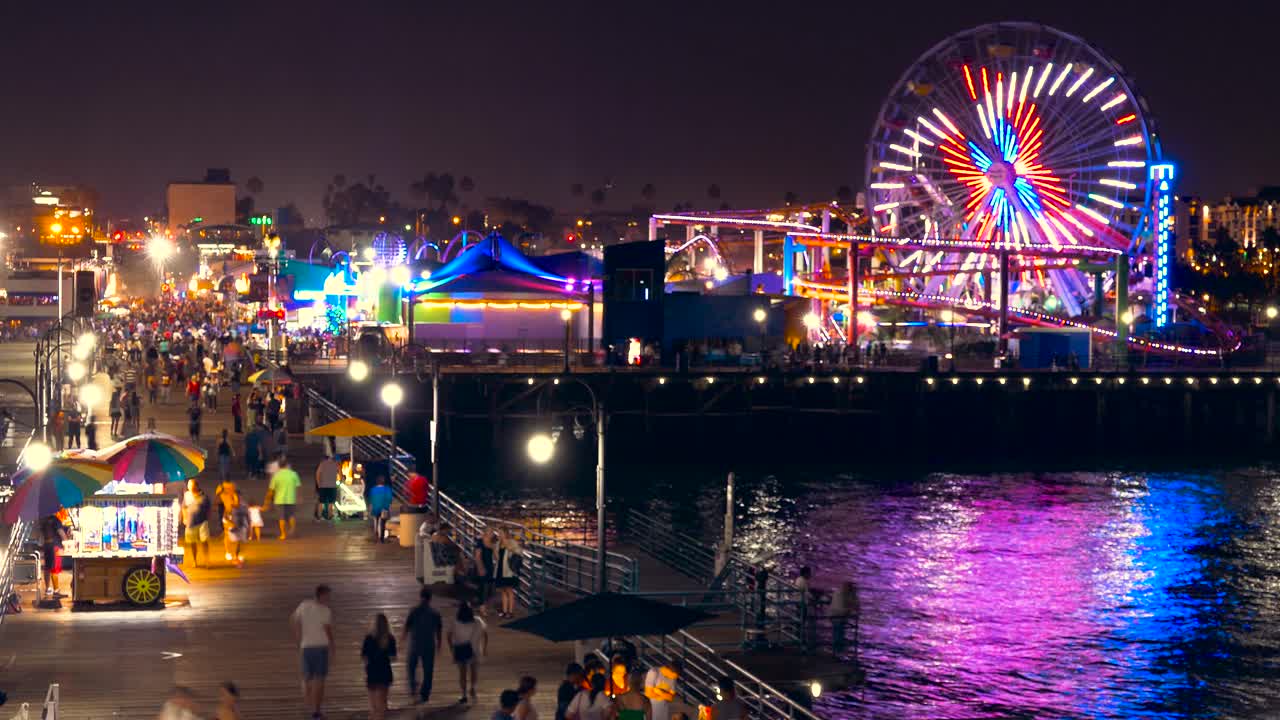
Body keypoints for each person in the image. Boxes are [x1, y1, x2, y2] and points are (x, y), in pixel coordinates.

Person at [291, 585, 334, 720]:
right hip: (321, 647)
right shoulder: (325, 611)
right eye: (327, 596)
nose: (329, 598)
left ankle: (309, 704)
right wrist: (333, 646)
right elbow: (328, 631)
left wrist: (299, 639)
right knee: (319, 680)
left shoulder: (304, 605)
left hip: (306, 647)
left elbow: (293, 619)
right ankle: (316, 711)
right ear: (320, 595)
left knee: (306, 678)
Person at [403, 586, 443, 705]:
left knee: (411, 667)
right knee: (428, 671)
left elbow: (407, 627)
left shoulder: (414, 611)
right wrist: (439, 644)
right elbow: (439, 630)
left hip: (415, 644)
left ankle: (413, 688)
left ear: (420, 597)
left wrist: (402, 640)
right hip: (429, 645)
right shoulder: (435, 613)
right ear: (430, 599)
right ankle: (425, 694)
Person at [447, 601, 486, 705]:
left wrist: (452, 649)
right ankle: (472, 688)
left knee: (462, 673)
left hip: (460, 650)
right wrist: (485, 648)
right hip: (475, 649)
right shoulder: (477, 621)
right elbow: (485, 634)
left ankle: (464, 694)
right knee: (473, 671)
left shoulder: (455, 621)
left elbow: (448, 636)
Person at [361, 613, 397, 720]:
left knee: (373, 706)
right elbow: (393, 657)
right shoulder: (390, 638)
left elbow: (364, 656)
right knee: (383, 703)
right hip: (385, 672)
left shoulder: (368, 638)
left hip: (372, 672)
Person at [267, 457, 301, 540]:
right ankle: (292, 530)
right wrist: (299, 497)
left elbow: (271, 490)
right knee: (291, 516)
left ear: (279, 466)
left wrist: (268, 501)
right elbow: (298, 487)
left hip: (279, 499)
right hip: (291, 498)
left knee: (281, 518)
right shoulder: (293, 474)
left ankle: (283, 534)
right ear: (287, 465)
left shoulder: (276, 475)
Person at [494, 528, 523, 618]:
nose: (499, 535)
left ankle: (510, 612)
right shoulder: (498, 543)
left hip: (509, 569)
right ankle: (504, 610)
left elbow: (519, 552)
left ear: (505, 533)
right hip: (500, 568)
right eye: (498, 533)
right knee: (503, 590)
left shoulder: (511, 542)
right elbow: (496, 558)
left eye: (501, 533)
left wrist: (508, 547)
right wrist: (495, 553)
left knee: (509, 590)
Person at [182, 480, 211, 568]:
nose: (190, 487)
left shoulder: (204, 496)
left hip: (202, 522)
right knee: (192, 542)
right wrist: (184, 518)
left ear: (197, 486)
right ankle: (195, 560)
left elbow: (209, 508)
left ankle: (207, 560)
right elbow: (183, 507)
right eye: (189, 486)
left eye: (192, 485)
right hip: (190, 522)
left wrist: (208, 518)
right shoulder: (187, 496)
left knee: (204, 541)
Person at [38, 514, 67, 599]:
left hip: (46, 545)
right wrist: (67, 543)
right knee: (54, 567)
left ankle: (47, 589)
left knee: (47, 567)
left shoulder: (43, 520)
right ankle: (56, 591)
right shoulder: (55, 519)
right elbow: (61, 533)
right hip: (55, 546)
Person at [829, 580, 859, 654]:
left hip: (840, 616)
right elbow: (839, 609)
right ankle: (837, 651)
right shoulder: (840, 594)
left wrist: (854, 595)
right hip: (836, 615)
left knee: (839, 633)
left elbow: (856, 603)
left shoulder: (845, 594)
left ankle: (837, 651)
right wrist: (850, 609)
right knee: (838, 634)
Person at [314, 455, 340, 521]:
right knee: (331, 502)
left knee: (321, 502)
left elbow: (317, 473)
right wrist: (339, 480)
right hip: (332, 485)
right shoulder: (336, 464)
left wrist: (318, 483)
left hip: (323, 485)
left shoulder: (322, 464)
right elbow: (340, 473)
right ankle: (330, 516)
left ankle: (319, 517)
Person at [369, 476, 393, 543]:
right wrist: (389, 508)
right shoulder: (387, 489)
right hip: (384, 508)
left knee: (376, 522)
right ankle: (381, 538)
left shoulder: (373, 489)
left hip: (375, 508)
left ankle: (376, 535)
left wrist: (371, 508)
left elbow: (371, 500)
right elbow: (389, 499)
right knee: (382, 523)